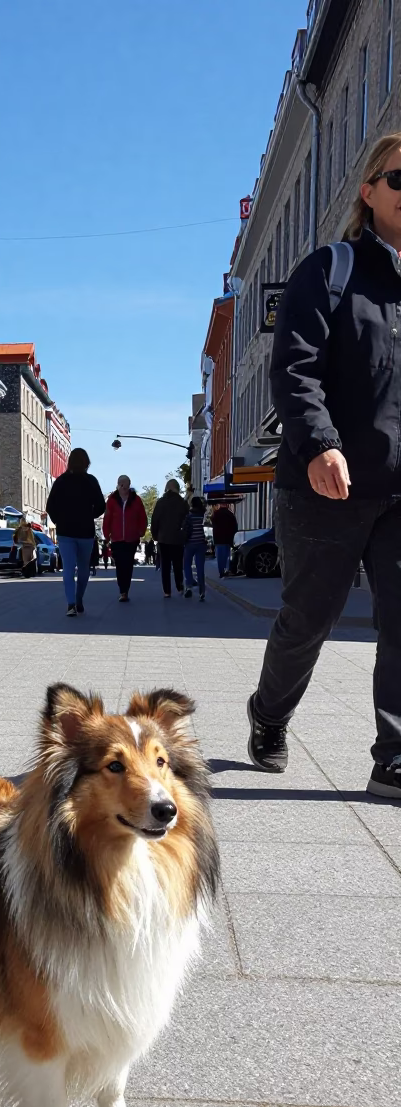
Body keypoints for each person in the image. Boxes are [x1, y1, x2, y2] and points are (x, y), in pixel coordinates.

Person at [248, 132, 401, 800]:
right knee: (308, 618)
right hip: (325, 486)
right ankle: (269, 715)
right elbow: (296, 368)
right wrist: (318, 443)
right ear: (369, 193)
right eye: (400, 179)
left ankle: (392, 757)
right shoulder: (330, 270)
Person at [45, 447, 106, 616]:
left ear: (69, 462)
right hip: (85, 531)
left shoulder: (61, 481)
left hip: (65, 531)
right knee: (84, 568)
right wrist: (90, 515)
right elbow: (101, 506)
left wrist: (59, 520)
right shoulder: (91, 481)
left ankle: (70, 603)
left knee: (69, 568)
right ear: (87, 463)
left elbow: (50, 506)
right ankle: (79, 598)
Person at [102, 475, 148, 602]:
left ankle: (125, 590)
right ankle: (122, 590)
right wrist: (107, 534)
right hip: (116, 538)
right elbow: (107, 518)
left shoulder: (136, 500)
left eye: (125, 483)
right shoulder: (112, 500)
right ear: (117, 484)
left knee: (128, 564)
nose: (123, 486)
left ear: (129, 484)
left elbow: (142, 517)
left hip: (131, 538)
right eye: (120, 483)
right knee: (120, 564)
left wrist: (141, 531)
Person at [151, 478, 189, 598]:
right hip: (178, 539)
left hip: (163, 539)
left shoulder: (160, 502)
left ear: (167, 488)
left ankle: (167, 591)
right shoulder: (183, 503)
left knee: (165, 566)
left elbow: (155, 520)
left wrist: (155, 536)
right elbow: (187, 521)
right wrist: (185, 536)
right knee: (178, 564)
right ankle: (179, 586)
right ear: (177, 489)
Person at [183, 497, 207, 602]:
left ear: (192, 504)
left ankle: (189, 586)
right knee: (200, 567)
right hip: (201, 543)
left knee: (187, 564)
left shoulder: (189, 516)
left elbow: (185, 529)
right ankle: (202, 591)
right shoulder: (203, 515)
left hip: (190, 544)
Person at [211, 503, 238, 578]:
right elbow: (235, 527)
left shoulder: (215, 514)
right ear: (227, 505)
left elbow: (212, 522)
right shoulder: (230, 514)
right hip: (228, 539)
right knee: (227, 555)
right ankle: (227, 570)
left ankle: (221, 572)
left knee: (220, 557)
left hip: (218, 539)